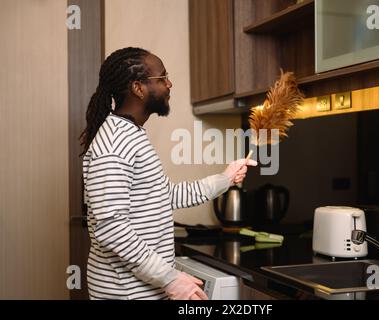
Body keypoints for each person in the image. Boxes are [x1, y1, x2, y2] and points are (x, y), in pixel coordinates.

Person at [80, 47, 257, 300]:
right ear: (138, 88)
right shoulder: (115, 144)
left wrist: (225, 179)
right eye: (162, 78)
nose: (169, 84)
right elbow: (111, 226)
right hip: (127, 293)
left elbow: (164, 195)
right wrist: (170, 279)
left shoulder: (131, 134)